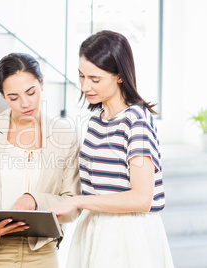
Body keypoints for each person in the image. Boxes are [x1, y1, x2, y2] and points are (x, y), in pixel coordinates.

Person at [50, 30, 174, 267]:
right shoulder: (97, 122)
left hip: (128, 236)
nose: (85, 86)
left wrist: (79, 202)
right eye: (81, 76)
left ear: (119, 76)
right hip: (95, 229)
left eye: (95, 79)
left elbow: (141, 198)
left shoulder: (136, 121)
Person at [0, 52, 81, 267]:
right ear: (3, 96)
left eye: (31, 92)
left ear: (42, 83)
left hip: (41, 251)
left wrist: (35, 200)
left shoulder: (65, 136)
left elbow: (73, 204)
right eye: (13, 97)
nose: (25, 103)